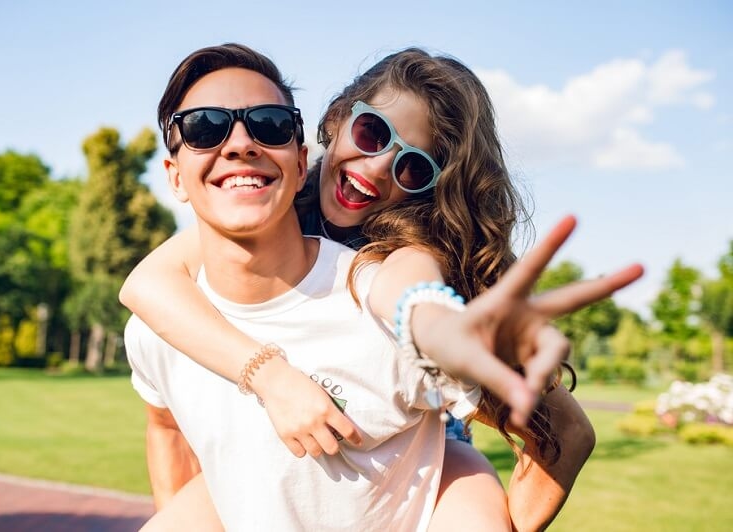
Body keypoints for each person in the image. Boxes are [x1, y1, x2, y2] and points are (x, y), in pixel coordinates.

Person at [123, 44, 642, 530]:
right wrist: (269, 375)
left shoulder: (403, 256)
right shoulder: (269, 198)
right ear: (336, 119)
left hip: (424, 450)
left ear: (431, 192)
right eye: (372, 134)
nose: (375, 169)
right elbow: (148, 285)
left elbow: (407, 293)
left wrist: (437, 330)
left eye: (413, 167)